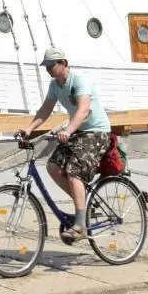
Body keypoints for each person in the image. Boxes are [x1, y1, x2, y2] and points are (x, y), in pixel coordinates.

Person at [16, 48, 110, 241]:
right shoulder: (55, 85)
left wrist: (67, 131)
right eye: (46, 66)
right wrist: (29, 127)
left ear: (64, 63)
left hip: (96, 132)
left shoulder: (80, 81)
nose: (48, 69)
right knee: (53, 167)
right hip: (77, 131)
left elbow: (83, 111)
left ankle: (80, 226)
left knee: (74, 170)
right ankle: (84, 207)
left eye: (51, 66)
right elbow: (45, 110)